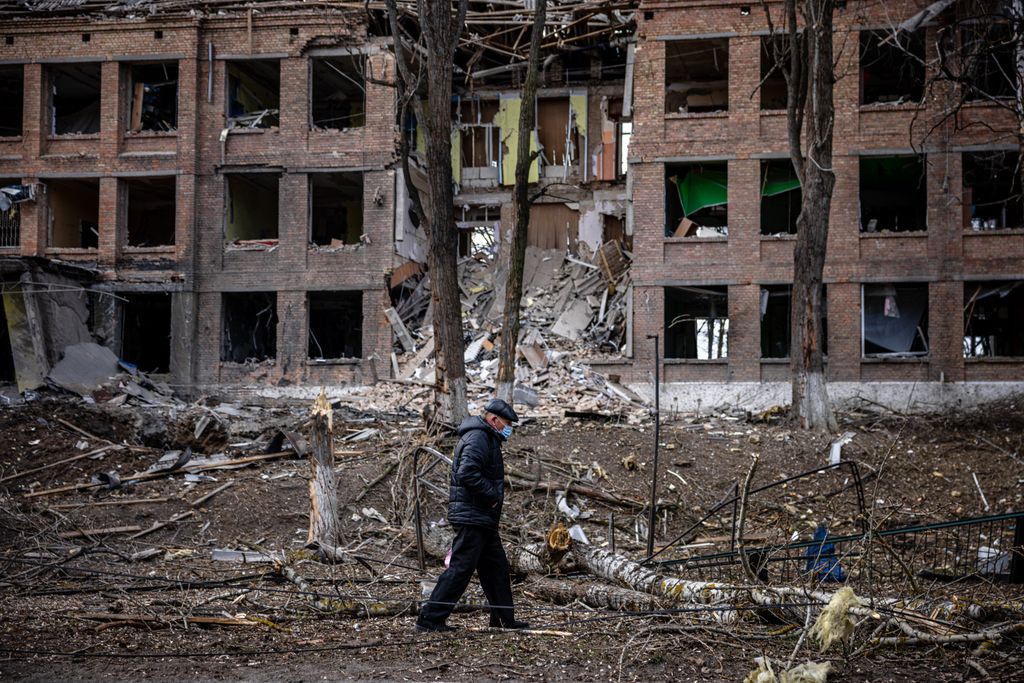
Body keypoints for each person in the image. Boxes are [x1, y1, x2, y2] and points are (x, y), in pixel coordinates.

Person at [415, 398, 529, 632]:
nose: (509, 429)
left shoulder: (487, 438)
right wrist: (492, 496)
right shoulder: (479, 438)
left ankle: (502, 620)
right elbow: (467, 472)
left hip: (482, 517)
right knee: (460, 568)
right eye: (506, 423)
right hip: (473, 515)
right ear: (493, 419)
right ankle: (430, 619)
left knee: (496, 569)